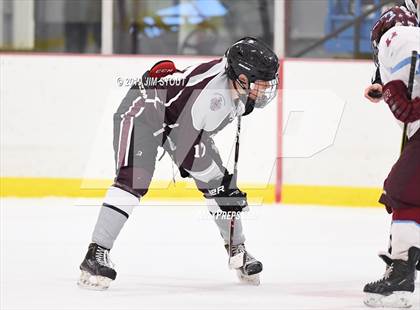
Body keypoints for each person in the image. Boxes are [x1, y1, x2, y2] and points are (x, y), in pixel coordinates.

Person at [77, 37, 279, 290]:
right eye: (260, 83)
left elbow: (188, 137)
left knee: (219, 184)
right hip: (143, 112)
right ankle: (95, 254)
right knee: (133, 181)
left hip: (180, 123)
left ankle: (238, 250)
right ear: (241, 77)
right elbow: (184, 149)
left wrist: (220, 184)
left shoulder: (236, 88)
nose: (265, 89)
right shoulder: (208, 96)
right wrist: (221, 185)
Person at [362, 7, 420, 308]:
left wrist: (391, 92)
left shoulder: (396, 38)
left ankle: (400, 274)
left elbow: (408, 109)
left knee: (402, 191)